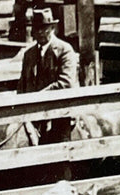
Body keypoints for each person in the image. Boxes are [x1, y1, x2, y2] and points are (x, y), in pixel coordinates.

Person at [16, 8, 79, 144]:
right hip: (33, 115)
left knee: (58, 152)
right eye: (37, 29)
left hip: (60, 111)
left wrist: (37, 97)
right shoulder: (29, 54)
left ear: (53, 28)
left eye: (44, 29)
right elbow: (22, 85)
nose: (40, 33)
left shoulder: (65, 50)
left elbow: (65, 84)